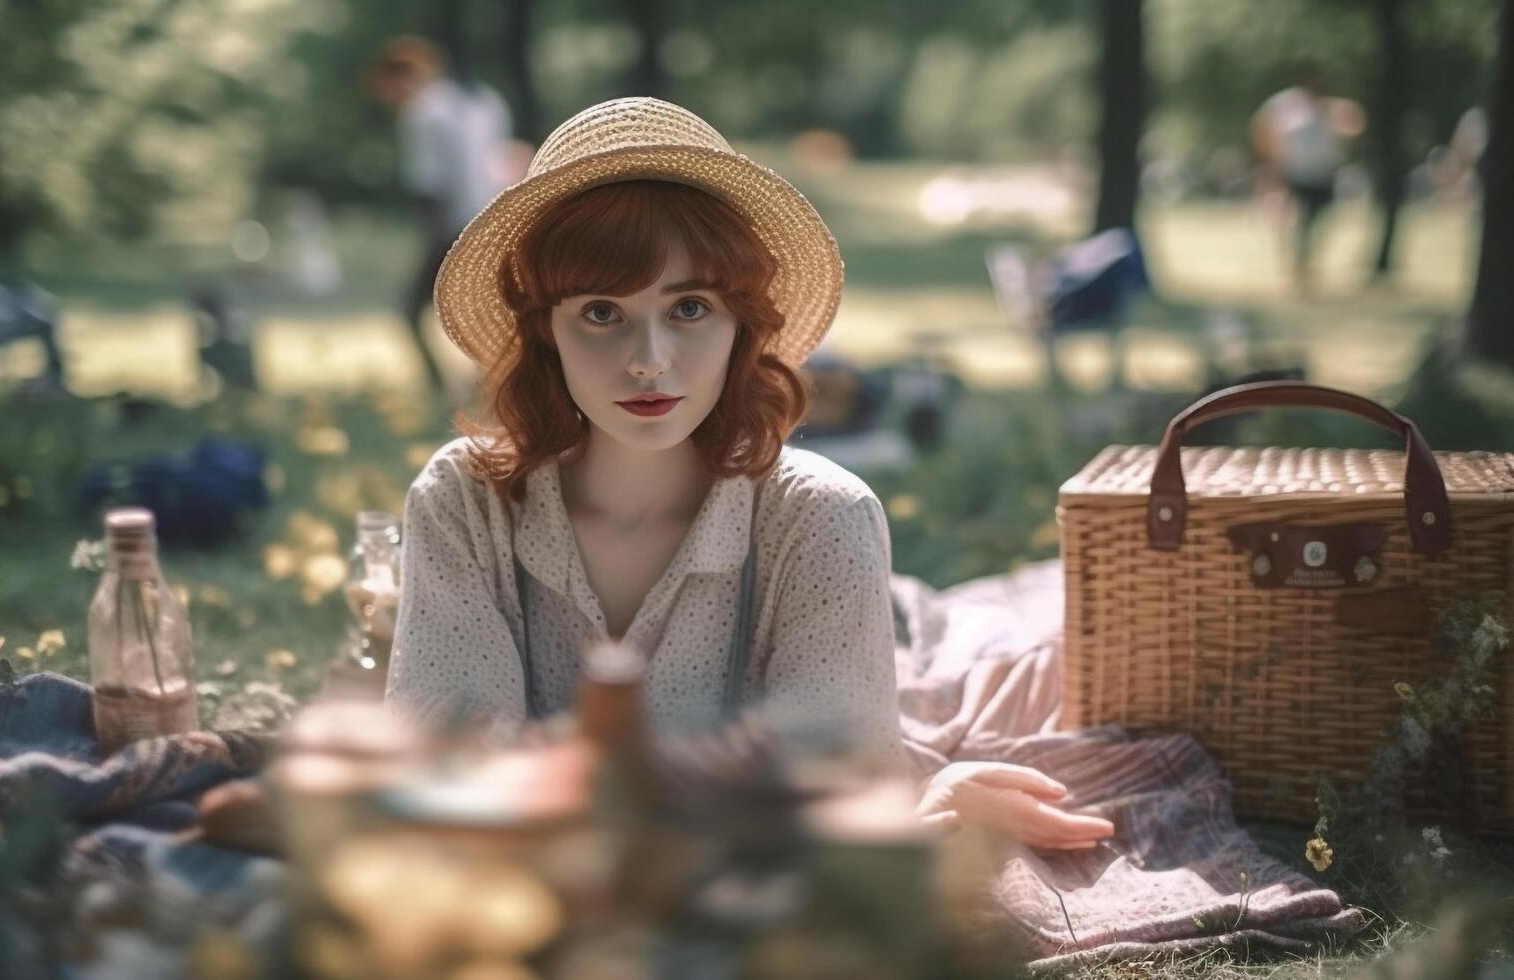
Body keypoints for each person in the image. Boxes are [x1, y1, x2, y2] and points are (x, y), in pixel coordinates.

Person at [384, 97, 1115, 852]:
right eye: (602, 313)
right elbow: (447, 768)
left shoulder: (824, 515)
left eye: (690, 307)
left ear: (742, 325)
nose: (649, 358)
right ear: (545, 332)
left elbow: (834, 780)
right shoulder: (463, 500)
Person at [368, 36, 517, 402]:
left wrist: (434, 239)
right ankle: (489, 383)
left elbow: (430, 184)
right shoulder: (484, 101)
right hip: (498, 217)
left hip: (455, 224)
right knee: (489, 307)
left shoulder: (420, 113)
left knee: (411, 309)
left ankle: (444, 385)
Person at [1250, 65, 1366, 293]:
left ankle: (1306, 261)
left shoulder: (1331, 107)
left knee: (1320, 219)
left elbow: (1356, 124)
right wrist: (1272, 160)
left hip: (1324, 173)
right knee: (1300, 221)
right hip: (1298, 173)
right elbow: (1261, 127)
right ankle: (1300, 265)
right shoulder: (1286, 105)